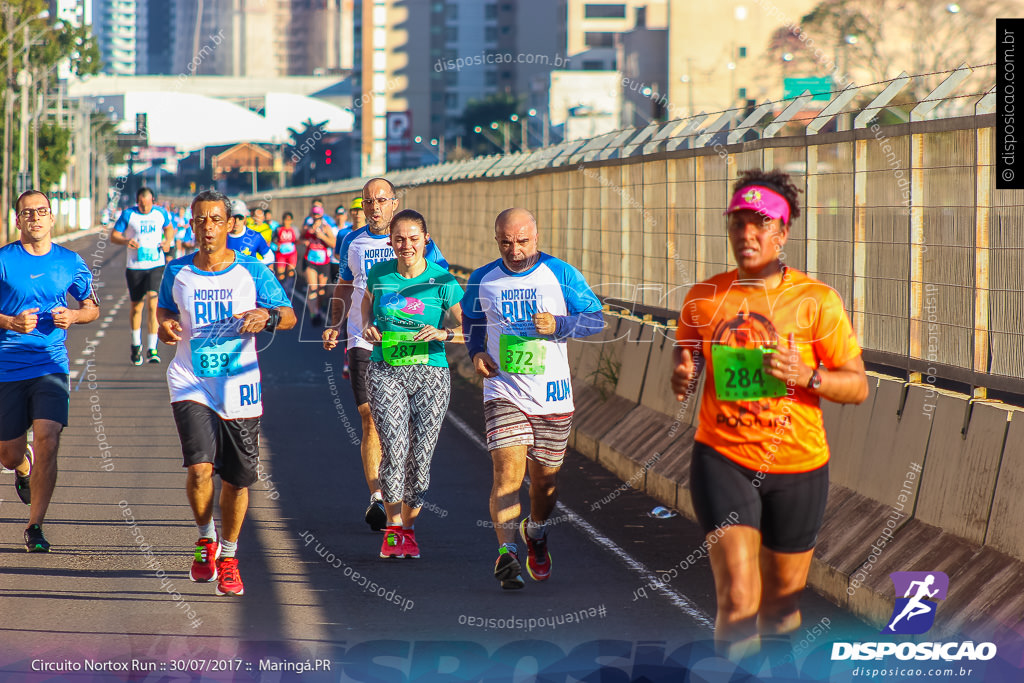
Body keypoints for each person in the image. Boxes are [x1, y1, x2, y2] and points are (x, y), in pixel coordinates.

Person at [671, 169, 868, 659]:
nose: (747, 235)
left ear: (782, 233)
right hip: (723, 458)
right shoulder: (704, 298)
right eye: (738, 224)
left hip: (799, 466)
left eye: (760, 225)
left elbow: (858, 385)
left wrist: (808, 375)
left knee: (780, 608)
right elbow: (688, 356)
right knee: (738, 596)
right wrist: (684, 371)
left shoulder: (816, 301)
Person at [157, 189, 296, 597]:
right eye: (200, 220)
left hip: (239, 384)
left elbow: (288, 316)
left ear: (228, 223)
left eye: (215, 219)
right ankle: (205, 539)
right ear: (191, 224)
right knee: (199, 467)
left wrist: (265, 315)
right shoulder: (176, 272)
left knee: (237, 479)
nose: (207, 228)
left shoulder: (252, 270)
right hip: (190, 378)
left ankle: (230, 556)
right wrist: (165, 325)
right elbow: (165, 311)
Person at [460, 208, 603, 590]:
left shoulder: (561, 274)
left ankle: (536, 532)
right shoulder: (482, 279)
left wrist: (560, 325)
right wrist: (476, 353)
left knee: (544, 484)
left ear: (536, 238)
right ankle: (507, 554)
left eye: (522, 241)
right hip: (504, 390)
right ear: (496, 240)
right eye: (506, 242)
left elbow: (596, 318)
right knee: (507, 473)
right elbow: (471, 322)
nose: (515, 250)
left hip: (553, 396)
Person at [323, 178, 447, 531]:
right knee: (370, 417)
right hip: (365, 339)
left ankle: (401, 489)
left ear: (394, 203)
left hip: (411, 342)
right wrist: (336, 323)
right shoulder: (352, 240)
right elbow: (346, 284)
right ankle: (378, 497)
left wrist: (438, 328)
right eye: (367, 201)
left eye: (381, 200)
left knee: (405, 426)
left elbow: (441, 282)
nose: (374, 207)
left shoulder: (418, 241)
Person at [353, 209, 465, 559]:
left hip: (431, 372)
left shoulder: (443, 281)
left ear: (425, 240)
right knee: (395, 447)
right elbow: (367, 307)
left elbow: (471, 329)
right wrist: (369, 326)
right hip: (386, 367)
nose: (406, 245)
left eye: (414, 238)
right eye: (399, 239)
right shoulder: (380, 274)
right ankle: (392, 527)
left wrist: (444, 332)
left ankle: (408, 528)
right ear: (390, 242)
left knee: (420, 457)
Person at [0, 190, 100, 552]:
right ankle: (22, 466)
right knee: (8, 455)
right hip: (7, 365)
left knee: (49, 438)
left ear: (51, 217)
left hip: (50, 364)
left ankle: (35, 526)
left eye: (41, 211)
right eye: (28, 213)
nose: (36, 218)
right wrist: (9, 321)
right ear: (18, 220)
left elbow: (91, 307)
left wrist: (73, 315)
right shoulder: (4, 261)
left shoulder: (70, 262)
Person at [110, 187, 174, 365]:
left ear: (153, 201)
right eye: (141, 204)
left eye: (147, 204)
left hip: (156, 264)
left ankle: (152, 349)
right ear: (137, 201)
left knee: (154, 303)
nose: (144, 207)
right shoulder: (129, 215)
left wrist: (167, 241)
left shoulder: (161, 213)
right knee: (137, 306)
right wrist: (126, 241)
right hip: (135, 266)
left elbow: (169, 229)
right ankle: (136, 345)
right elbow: (114, 236)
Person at [299, 208, 336, 326]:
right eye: (314, 216)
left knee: (321, 289)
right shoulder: (307, 227)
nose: (316, 218)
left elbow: (333, 244)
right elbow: (300, 239)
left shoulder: (326, 228)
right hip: (310, 260)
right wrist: (304, 241)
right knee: (313, 287)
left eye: (318, 216)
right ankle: (314, 313)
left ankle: (318, 308)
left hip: (324, 262)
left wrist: (322, 236)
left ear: (321, 216)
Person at [226, 200, 273, 266]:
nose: (236, 221)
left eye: (240, 217)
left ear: (245, 218)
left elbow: (270, 257)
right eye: (233, 218)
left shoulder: (255, 236)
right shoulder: (220, 236)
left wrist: (254, 266)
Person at [273, 211, 299, 284]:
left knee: (291, 272)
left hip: (291, 254)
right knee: (280, 274)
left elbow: (298, 240)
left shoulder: (294, 229)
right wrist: (276, 244)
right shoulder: (278, 229)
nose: (286, 222)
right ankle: (282, 288)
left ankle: (289, 288)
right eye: (285, 219)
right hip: (281, 254)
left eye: (288, 220)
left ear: (291, 220)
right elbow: (274, 239)